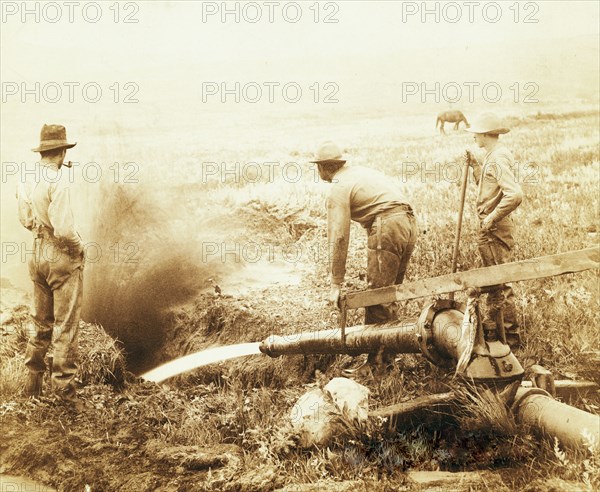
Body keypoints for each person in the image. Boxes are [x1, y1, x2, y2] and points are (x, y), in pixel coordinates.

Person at [310, 140, 418, 325]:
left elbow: (339, 237)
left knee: (377, 298)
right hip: (409, 223)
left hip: (388, 226)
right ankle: (391, 349)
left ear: (323, 167)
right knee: (389, 294)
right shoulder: (361, 172)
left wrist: (336, 283)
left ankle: (378, 353)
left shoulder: (338, 187)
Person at [17, 124, 85, 399]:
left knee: (41, 323)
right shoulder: (59, 180)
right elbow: (65, 229)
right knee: (66, 325)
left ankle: (32, 386)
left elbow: (26, 219)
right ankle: (64, 392)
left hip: (37, 251)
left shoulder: (26, 178)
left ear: (43, 152)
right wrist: (78, 248)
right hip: (59, 253)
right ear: (60, 152)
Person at [466, 113, 523, 347]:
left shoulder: (498, 158)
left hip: (494, 228)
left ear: (486, 134)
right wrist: (476, 166)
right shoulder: (493, 156)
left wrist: (491, 217)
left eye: (476, 133)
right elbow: (490, 187)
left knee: (501, 281)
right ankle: (500, 333)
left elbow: (514, 194)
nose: (474, 137)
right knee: (495, 278)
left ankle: (509, 338)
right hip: (491, 226)